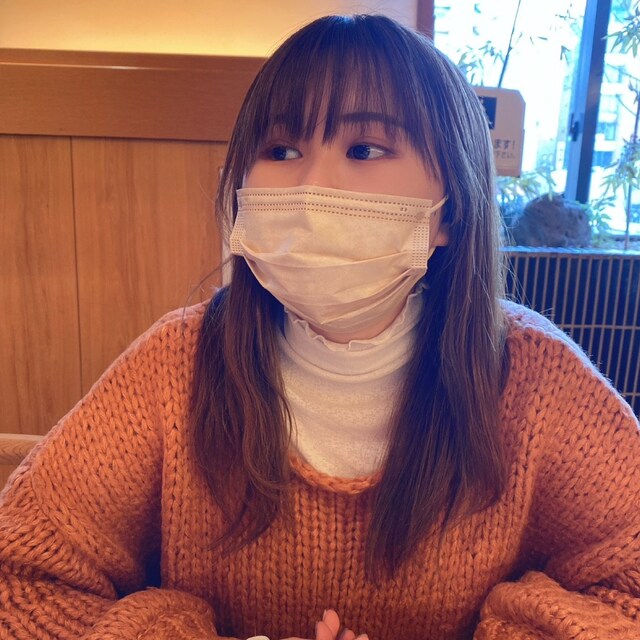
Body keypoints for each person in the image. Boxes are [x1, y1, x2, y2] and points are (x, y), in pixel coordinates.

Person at [1, 13, 639, 640]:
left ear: (450, 210)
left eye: (365, 149)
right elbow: (20, 579)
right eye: (281, 150)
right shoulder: (176, 365)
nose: (310, 187)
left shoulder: (537, 381)